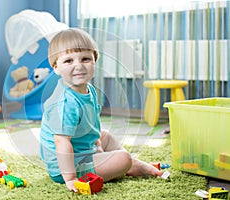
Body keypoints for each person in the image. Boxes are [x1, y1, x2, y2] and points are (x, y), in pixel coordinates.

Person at [40, 28, 163, 192]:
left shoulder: (88, 89)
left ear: (94, 62)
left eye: (85, 59)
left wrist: (97, 143)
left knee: (105, 136)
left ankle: (129, 164)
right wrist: (70, 178)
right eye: (69, 61)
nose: (78, 66)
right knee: (122, 159)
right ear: (56, 68)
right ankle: (127, 164)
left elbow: (91, 123)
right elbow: (61, 142)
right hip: (66, 164)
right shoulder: (64, 102)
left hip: (82, 148)